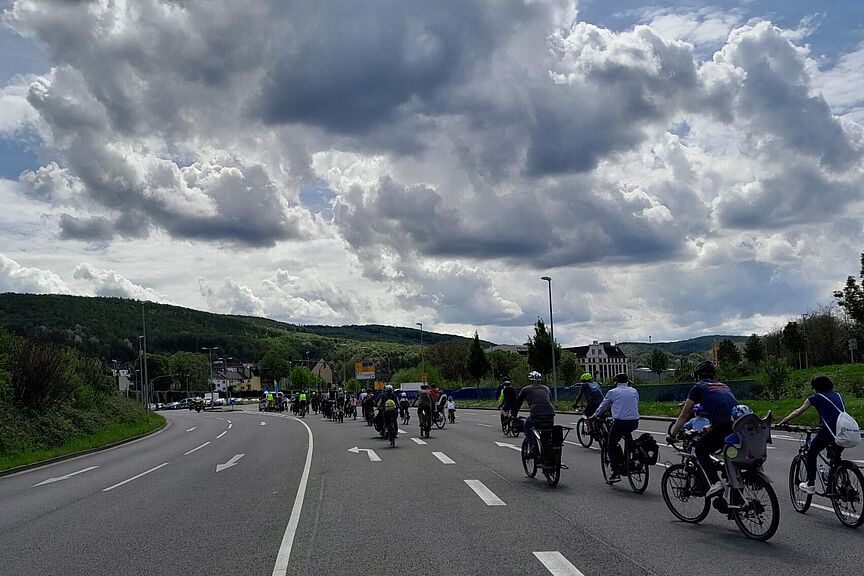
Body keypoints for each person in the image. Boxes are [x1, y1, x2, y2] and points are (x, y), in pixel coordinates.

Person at [668, 360, 738, 498]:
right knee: (725, 456)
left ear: (697, 375)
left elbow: (685, 413)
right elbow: (724, 409)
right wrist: (711, 426)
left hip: (722, 427)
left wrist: (672, 434)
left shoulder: (698, 387)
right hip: (737, 425)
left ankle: (715, 482)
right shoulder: (723, 386)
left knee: (701, 450)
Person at [778, 374, 847, 495]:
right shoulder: (838, 395)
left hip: (828, 432)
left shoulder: (815, 398)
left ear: (815, 387)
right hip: (844, 432)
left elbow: (798, 411)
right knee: (835, 458)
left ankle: (810, 484)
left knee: (812, 453)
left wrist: (784, 420)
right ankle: (835, 484)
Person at [590, 373, 639, 482]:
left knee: (610, 445)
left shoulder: (612, 392)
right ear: (627, 381)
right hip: (634, 421)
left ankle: (616, 471)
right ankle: (632, 458)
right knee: (628, 435)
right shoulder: (634, 391)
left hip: (620, 422)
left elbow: (603, 405)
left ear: (616, 382)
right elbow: (635, 403)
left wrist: (595, 416)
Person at [515, 371, 555, 454]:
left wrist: (514, 415)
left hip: (536, 414)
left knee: (527, 426)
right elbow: (550, 400)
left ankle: (532, 446)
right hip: (550, 413)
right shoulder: (546, 388)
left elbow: (518, 403)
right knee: (547, 432)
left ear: (530, 380)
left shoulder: (525, 389)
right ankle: (549, 453)